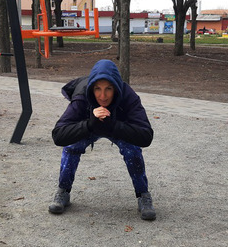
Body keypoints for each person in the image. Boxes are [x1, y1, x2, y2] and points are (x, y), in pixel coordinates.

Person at [50, 59, 156, 220]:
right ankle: (63, 191)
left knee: (132, 150)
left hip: (116, 126)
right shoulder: (81, 97)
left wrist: (114, 125)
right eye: (97, 89)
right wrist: (89, 124)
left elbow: (146, 136)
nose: (103, 96)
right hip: (90, 125)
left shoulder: (128, 96)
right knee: (72, 146)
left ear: (116, 88)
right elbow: (58, 135)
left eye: (109, 89)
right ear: (91, 88)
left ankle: (143, 195)